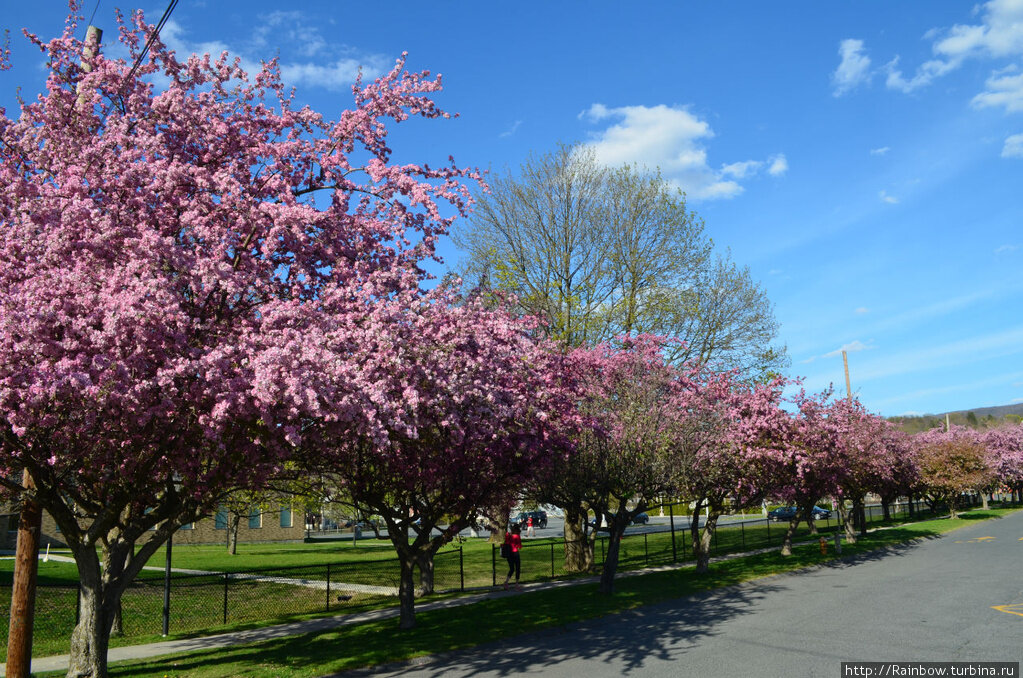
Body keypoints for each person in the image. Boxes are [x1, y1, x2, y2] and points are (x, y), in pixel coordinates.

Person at [502, 523, 522, 590]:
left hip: (508, 554)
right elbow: (519, 546)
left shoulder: (508, 535)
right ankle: (516, 584)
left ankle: (506, 582)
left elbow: (504, 542)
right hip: (515, 553)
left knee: (511, 569)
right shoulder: (517, 536)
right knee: (517, 568)